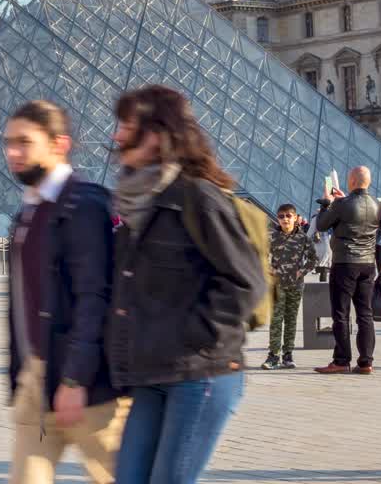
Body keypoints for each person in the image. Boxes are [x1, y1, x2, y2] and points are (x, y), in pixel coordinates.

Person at [105, 87, 264, 484]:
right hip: (151, 373)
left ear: (158, 134)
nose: (116, 136)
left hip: (199, 372)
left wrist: (195, 336)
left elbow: (245, 281)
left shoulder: (198, 198)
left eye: (127, 126)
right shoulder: (138, 202)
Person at [2, 100, 129, 484]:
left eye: (24, 142)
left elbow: (95, 298)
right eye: (8, 142)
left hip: (88, 389)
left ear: (59, 144)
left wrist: (75, 379)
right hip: (36, 382)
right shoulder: (28, 211)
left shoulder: (84, 205)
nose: (12, 152)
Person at [312, 166, 381, 375]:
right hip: (368, 264)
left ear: (351, 181)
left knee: (341, 314)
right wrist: (341, 202)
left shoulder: (342, 204)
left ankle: (342, 360)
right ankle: (366, 362)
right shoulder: (377, 205)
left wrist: (327, 203)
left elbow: (322, 225)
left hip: (345, 263)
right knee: (365, 314)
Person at [261, 204, 317, 370]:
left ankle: (288, 355)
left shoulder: (303, 238)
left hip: (295, 285)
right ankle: (273, 356)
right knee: (276, 320)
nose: (285, 219)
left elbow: (314, 258)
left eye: (288, 216)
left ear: (295, 217)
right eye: (281, 216)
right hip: (276, 285)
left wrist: (302, 271)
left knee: (291, 320)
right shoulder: (272, 237)